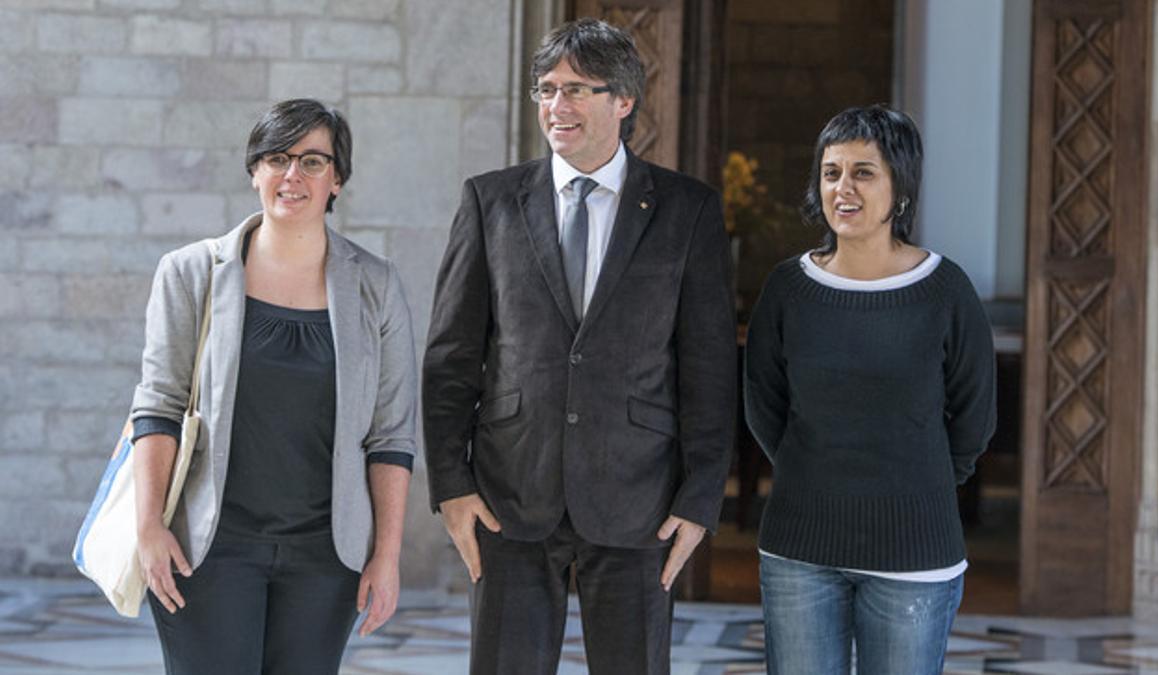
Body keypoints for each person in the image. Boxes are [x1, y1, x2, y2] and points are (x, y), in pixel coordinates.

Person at [422, 17, 737, 675]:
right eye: (545, 89)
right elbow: (452, 355)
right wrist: (451, 481)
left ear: (623, 100)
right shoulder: (491, 201)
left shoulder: (688, 211)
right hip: (509, 497)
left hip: (640, 501)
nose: (555, 107)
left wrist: (700, 498)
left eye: (576, 90)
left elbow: (709, 367)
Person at [129, 98, 417, 675]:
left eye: (313, 162)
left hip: (326, 557)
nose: (293, 175)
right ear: (254, 171)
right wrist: (149, 528)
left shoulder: (376, 286)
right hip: (207, 549)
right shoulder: (189, 273)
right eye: (278, 158)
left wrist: (386, 555)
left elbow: (391, 434)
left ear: (337, 180)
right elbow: (158, 408)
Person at [743, 105, 996, 674]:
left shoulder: (944, 290)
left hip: (914, 553)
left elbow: (974, 416)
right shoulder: (788, 288)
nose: (843, 188)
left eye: (863, 172)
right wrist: (815, 472)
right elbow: (763, 402)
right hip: (799, 549)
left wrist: (917, 482)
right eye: (831, 173)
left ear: (899, 188)